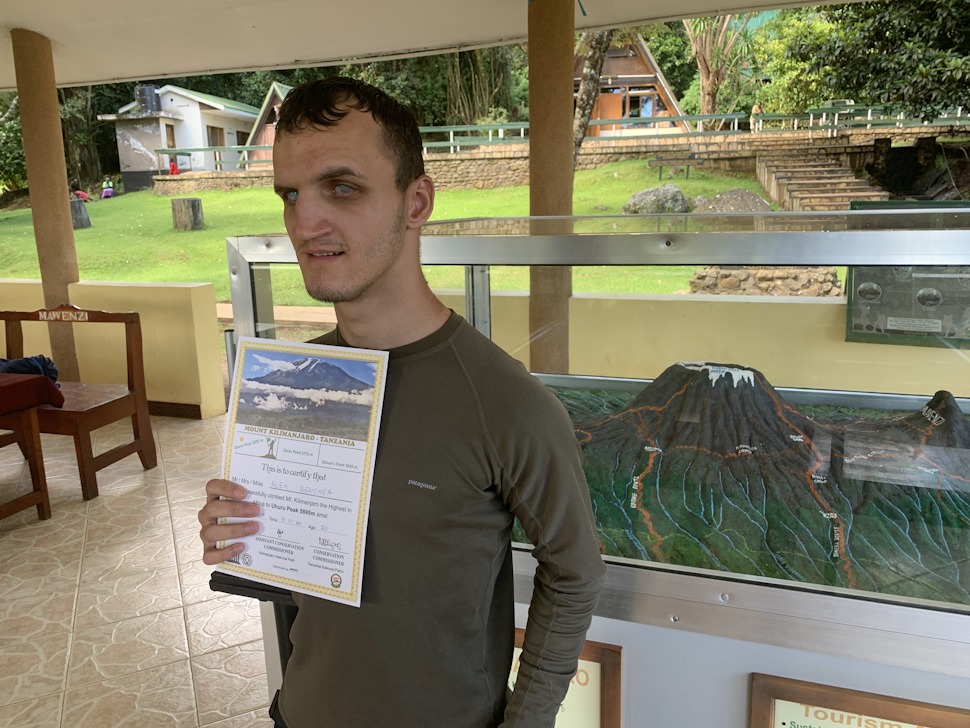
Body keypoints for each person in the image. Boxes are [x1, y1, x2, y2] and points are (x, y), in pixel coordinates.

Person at [198, 77, 605, 728]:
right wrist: (246, 530)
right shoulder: (294, 380)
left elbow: (574, 570)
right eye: (290, 194)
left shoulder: (505, 402)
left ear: (416, 202)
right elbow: (300, 585)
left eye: (342, 188)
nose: (305, 223)